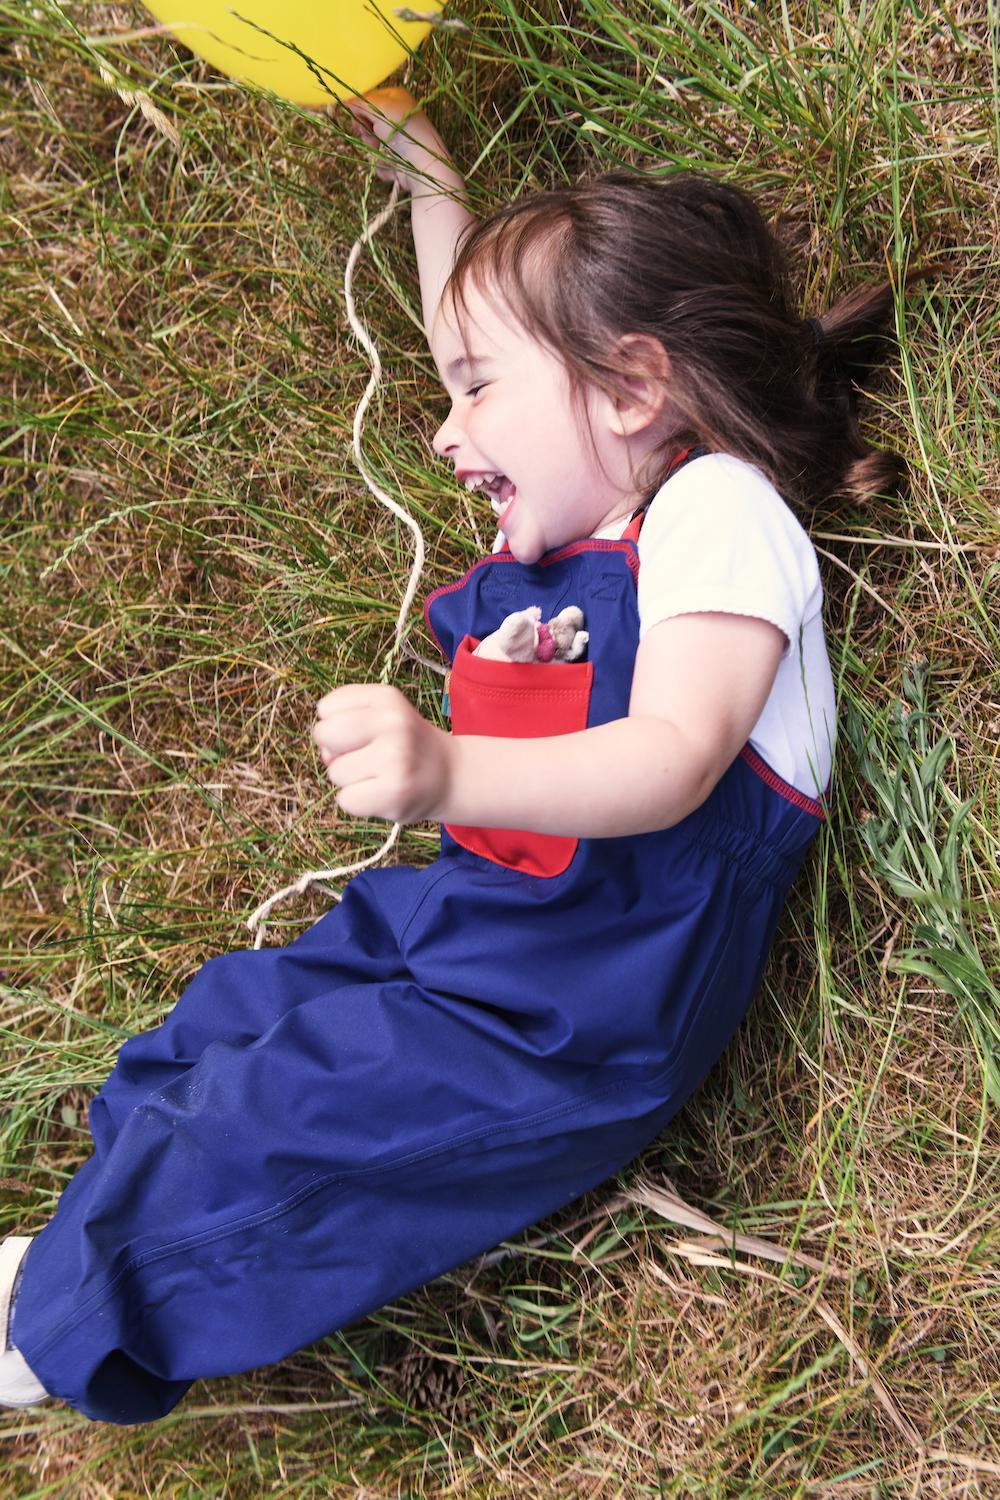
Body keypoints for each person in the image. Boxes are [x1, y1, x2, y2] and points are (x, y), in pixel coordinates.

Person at [2, 89, 906, 1424]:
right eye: (453, 389)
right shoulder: (576, 523)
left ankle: (60, 1327)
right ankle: (92, 1246)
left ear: (634, 388)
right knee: (230, 1028)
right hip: (469, 928)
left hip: (572, 1009)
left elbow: (675, 757)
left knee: (304, 1126)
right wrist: (418, 153)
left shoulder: (716, 510)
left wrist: (449, 776)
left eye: (480, 391)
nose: (444, 427)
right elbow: (460, 334)